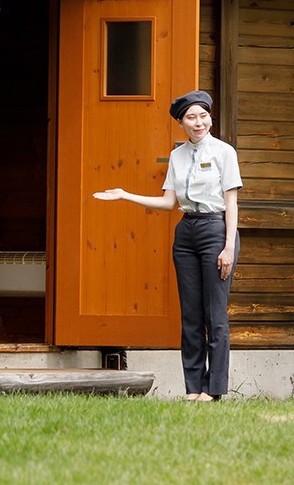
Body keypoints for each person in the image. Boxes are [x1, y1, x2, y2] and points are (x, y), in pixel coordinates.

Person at [94, 89, 242, 401]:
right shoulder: (177, 156)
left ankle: (213, 390)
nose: (198, 122)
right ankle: (192, 388)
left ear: (210, 118)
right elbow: (168, 202)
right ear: (181, 123)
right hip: (186, 231)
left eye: (203, 116)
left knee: (215, 314)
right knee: (190, 315)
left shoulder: (224, 152)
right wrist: (125, 195)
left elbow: (231, 203)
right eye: (191, 117)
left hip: (216, 228)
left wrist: (229, 247)